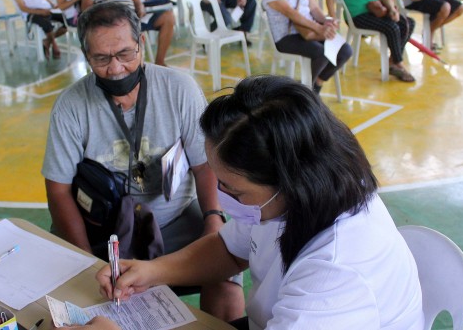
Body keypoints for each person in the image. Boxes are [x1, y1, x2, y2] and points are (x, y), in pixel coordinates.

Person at [87, 75, 425, 330]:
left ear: (290, 183)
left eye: (234, 190)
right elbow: (231, 250)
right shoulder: (303, 195)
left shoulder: (335, 273)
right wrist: (152, 272)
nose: (220, 198)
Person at [41, 2, 244, 321]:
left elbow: (205, 166)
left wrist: (213, 219)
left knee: (224, 268)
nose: (116, 68)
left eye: (125, 54)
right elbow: (58, 190)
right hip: (103, 230)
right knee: (72, 292)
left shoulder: (180, 89)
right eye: (101, 58)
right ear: (85, 56)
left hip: (173, 219)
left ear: (142, 44)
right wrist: (87, 261)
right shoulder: (70, 107)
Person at [262, 0, 352, 94]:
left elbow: (314, 8)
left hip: (311, 31)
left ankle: (316, 85)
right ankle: (304, 92)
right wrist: (319, 28)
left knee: (345, 51)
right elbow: (291, 13)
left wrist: (327, 21)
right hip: (287, 36)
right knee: (320, 53)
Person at [327, 0, 417, 82]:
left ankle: (393, 61)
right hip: (357, 16)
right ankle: (398, 64)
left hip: (377, 11)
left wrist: (392, 9)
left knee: (407, 23)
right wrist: (332, 16)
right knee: (391, 28)